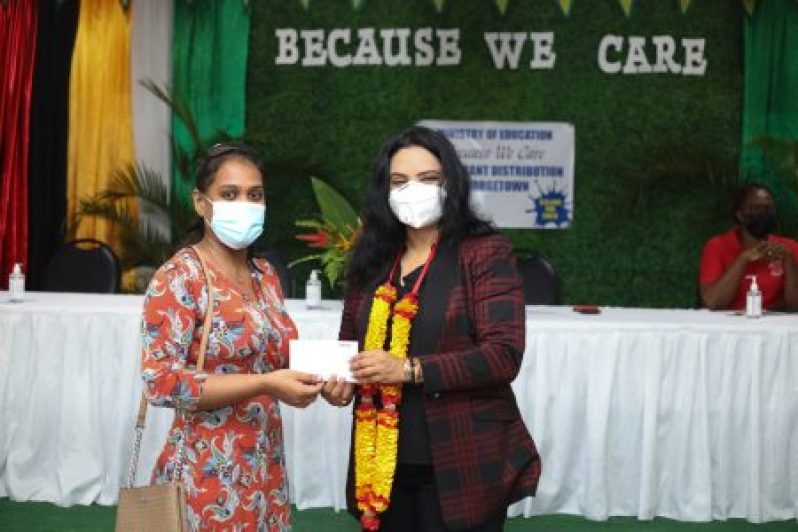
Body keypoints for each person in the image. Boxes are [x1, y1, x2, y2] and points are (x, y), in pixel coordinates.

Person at [322, 126, 541, 531]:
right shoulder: (372, 257)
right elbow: (350, 347)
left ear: (450, 184)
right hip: (382, 466)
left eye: (428, 179)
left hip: (462, 460)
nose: (412, 190)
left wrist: (407, 370)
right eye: (399, 181)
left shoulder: (484, 251)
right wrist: (341, 384)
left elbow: (503, 355)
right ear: (383, 192)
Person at [140, 143, 323, 531]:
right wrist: (264, 384)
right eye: (229, 194)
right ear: (201, 203)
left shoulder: (265, 275)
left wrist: (330, 380)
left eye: (254, 195)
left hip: (264, 462)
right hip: (206, 469)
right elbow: (161, 382)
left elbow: (278, 357)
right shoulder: (179, 277)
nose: (245, 203)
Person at [700, 183, 798, 311]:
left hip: (774, 325)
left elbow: (795, 306)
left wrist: (789, 262)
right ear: (740, 215)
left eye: (769, 208)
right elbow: (712, 302)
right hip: (728, 325)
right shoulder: (717, 246)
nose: (764, 214)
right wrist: (743, 259)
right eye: (756, 208)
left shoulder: (789, 247)